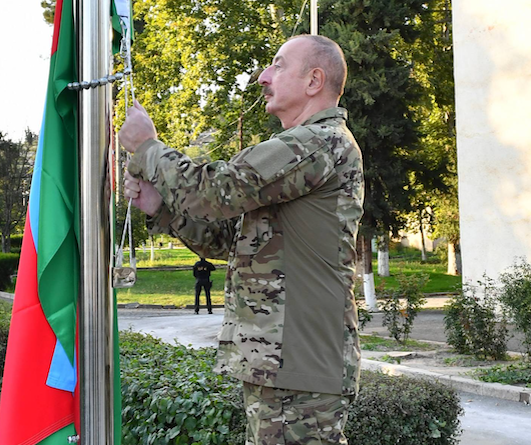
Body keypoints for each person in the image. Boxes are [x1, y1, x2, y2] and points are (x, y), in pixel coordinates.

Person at [120, 34, 364, 445]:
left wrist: (148, 148)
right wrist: (159, 207)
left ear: (313, 80)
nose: (262, 77)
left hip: (298, 360)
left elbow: (215, 191)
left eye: (279, 65)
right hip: (282, 362)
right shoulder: (304, 148)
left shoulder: (317, 143)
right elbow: (226, 238)